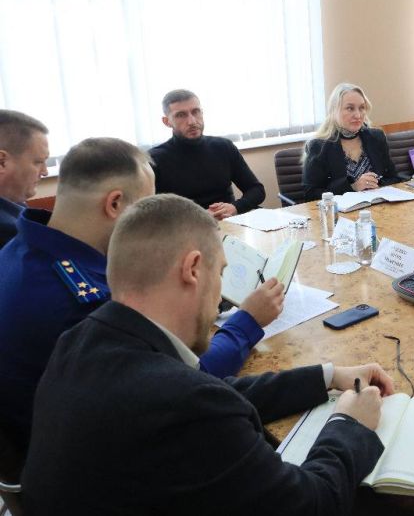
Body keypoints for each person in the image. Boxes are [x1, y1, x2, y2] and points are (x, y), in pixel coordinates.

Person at [21, 193, 391, 514]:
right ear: (193, 269)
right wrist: (350, 424)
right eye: (222, 274)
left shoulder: (81, 340)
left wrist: (327, 376)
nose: (220, 299)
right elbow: (313, 505)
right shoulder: (185, 406)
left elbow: (213, 390)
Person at [0, 138, 281, 455]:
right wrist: (247, 321)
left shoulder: (19, 247)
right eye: (146, 207)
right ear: (115, 204)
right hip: (99, 455)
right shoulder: (83, 301)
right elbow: (190, 378)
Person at [150, 89, 265, 220]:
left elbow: (256, 190)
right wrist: (200, 217)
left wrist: (235, 207)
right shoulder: (154, 159)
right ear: (167, 121)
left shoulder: (223, 147)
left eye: (196, 112)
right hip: (186, 228)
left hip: (229, 223)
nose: (192, 121)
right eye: (181, 115)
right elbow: (150, 214)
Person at [303, 83, 404, 199]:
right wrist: (353, 187)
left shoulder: (376, 137)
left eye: (362, 108)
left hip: (378, 206)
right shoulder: (319, 146)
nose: (358, 115)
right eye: (350, 108)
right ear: (334, 111)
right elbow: (311, 194)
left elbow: (394, 178)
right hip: (342, 210)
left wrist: (377, 184)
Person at [0, 110, 49, 248]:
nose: (45, 172)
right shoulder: (11, 231)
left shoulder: (14, 205)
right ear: (2, 162)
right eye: (38, 162)